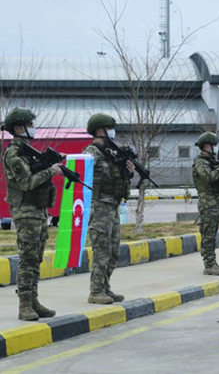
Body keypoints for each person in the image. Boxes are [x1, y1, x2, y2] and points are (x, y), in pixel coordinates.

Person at [1, 108, 62, 321]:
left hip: (38, 210)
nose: (33, 129)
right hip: (25, 212)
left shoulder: (27, 150)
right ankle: (24, 305)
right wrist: (50, 171)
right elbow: (26, 183)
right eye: (30, 125)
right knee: (27, 259)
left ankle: (34, 300)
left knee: (36, 258)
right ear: (19, 128)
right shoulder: (14, 153)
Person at [83, 113, 134, 304]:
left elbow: (115, 178)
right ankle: (95, 291)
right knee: (101, 250)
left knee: (113, 250)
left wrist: (127, 172)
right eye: (109, 128)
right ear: (99, 130)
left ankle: (105, 287)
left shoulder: (112, 153)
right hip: (100, 206)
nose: (113, 132)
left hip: (112, 205)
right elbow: (85, 171)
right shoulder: (92, 151)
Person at [192, 132, 219, 276]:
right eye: (213, 145)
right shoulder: (200, 162)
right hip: (208, 201)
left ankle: (213, 263)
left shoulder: (212, 161)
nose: (215, 148)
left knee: (212, 233)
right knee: (208, 234)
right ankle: (209, 265)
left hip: (216, 200)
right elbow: (209, 177)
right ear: (207, 146)